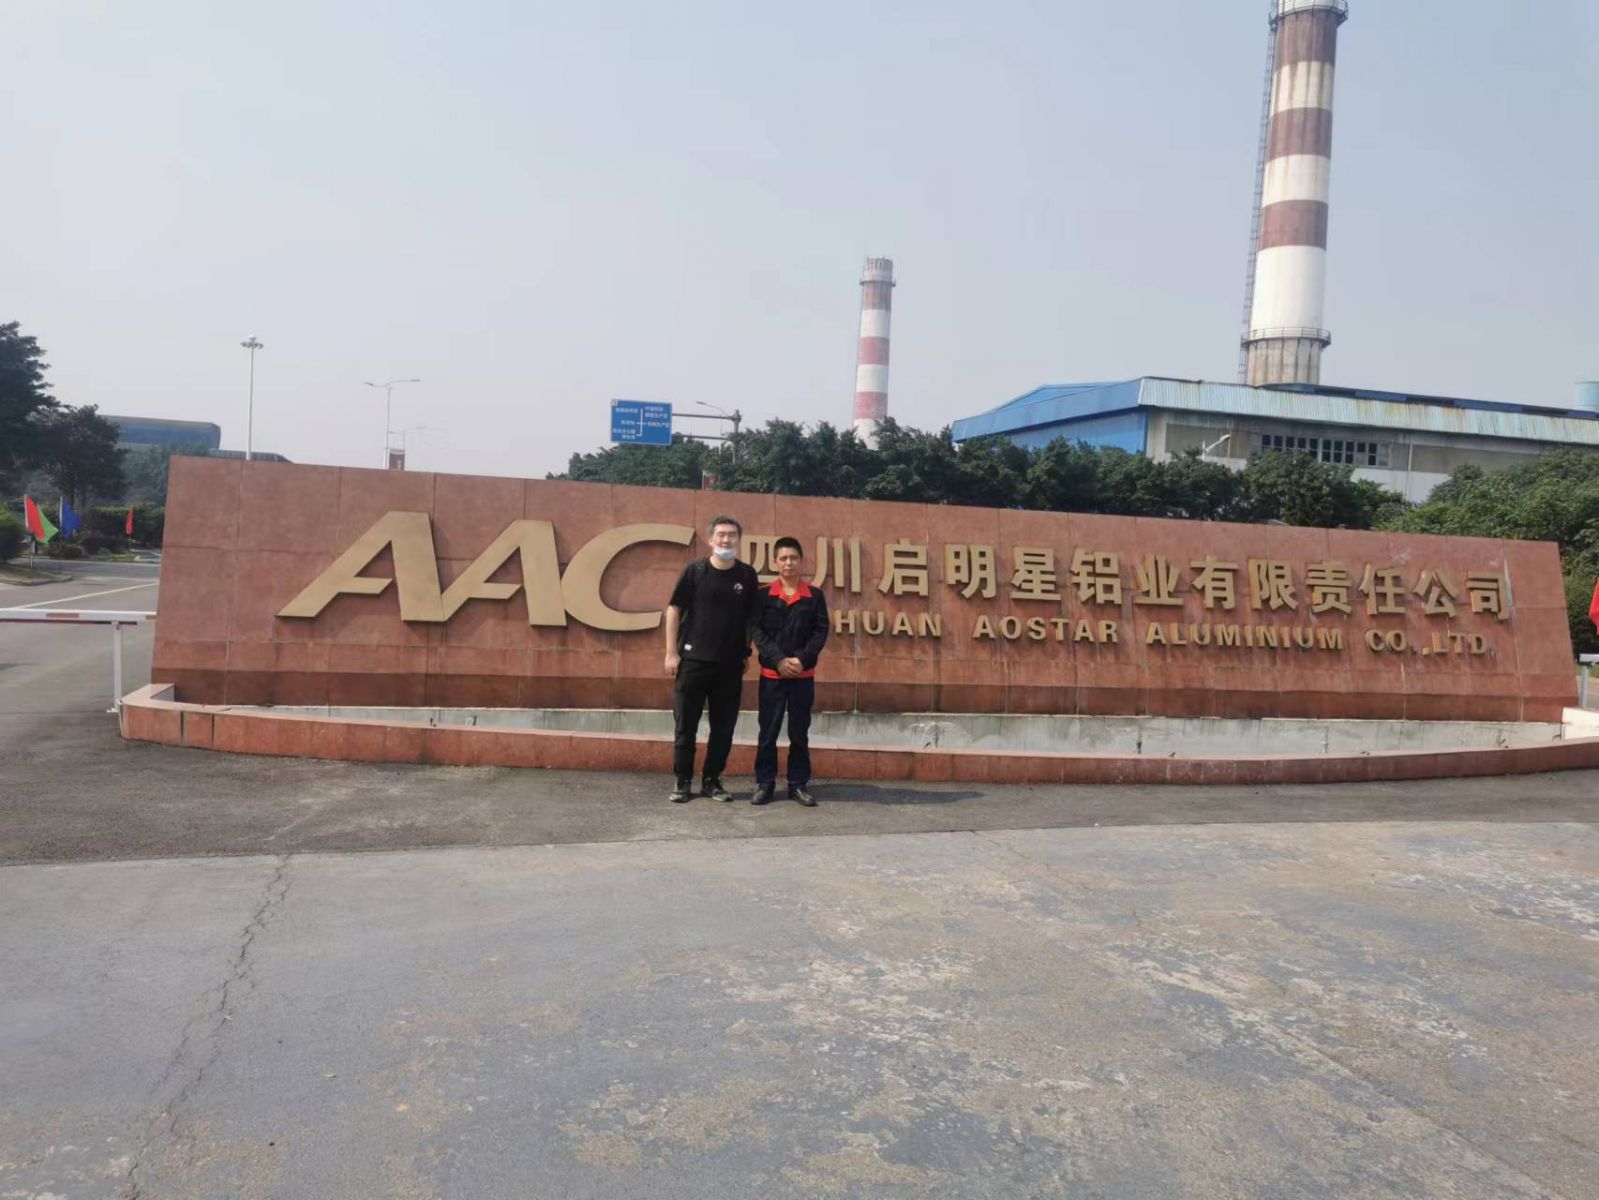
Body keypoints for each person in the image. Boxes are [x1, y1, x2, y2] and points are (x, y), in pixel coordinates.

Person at [663, 515, 759, 803]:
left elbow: (750, 618)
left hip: (729, 665)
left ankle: (712, 780)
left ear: (738, 539)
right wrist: (671, 652)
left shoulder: (747, 575)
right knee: (685, 726)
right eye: (721, 534)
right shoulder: (695, 571)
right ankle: (682, 780)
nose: (726, 539)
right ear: (710, 539)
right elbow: (674, 610)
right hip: (693, 662)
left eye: (732, 535)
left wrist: (746, 651)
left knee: (723, 728)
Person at [751, 536, 829, 806]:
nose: (788, 563)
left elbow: (820, 631)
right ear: (775, 562)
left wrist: (801, 659)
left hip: (802, 677)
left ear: (801, 561)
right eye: (783, 558)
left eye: (793, 558)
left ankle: (798, 784)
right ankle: (765, 784)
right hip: (772, 676)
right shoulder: (763, 595)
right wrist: (779, 660)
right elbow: (757, 631)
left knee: (799, 732)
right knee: (768, 732)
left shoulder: (814, 595)